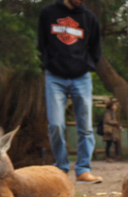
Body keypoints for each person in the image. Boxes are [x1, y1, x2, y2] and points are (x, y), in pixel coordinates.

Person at [38, 0, 102, 183]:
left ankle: (83, 169)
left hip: (81, 77)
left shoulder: (89, 18)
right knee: (56, 125)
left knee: (86, 128)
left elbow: (96, 49)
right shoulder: (48, 13)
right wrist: (49, 62)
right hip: (54, 77)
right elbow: (42, 43)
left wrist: (86, 65)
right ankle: (62, 169)